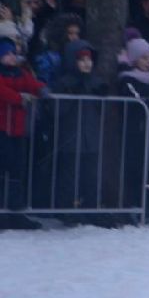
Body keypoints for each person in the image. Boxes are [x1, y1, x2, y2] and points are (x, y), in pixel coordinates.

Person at [48, 40, 108, 209]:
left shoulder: (96, 82)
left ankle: (91, 206)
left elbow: (100, 110)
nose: (87, 63)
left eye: (89, 59)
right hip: (70, 137)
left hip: (91, 137)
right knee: (69, 176)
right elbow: (56, 110)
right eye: (81, 60)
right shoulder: (63, 83)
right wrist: (71, 93)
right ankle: (65, 208)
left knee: (91, 175)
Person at [115, 38, 149, 208]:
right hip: (134, 130)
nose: (148, 61)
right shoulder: (128, 80)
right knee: (134, 167)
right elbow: (138, 102)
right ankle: (133, 204)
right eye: (144, 58)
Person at [0, 37, 45, 211]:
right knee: (3, 166)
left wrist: (41, 88)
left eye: (13, 53)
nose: (11, 57)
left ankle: (14, 207)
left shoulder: (20, 73)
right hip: (3, 127)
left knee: (17, 167)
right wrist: (19, 98)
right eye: (7, 54)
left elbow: (31, 83)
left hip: (18, 128)